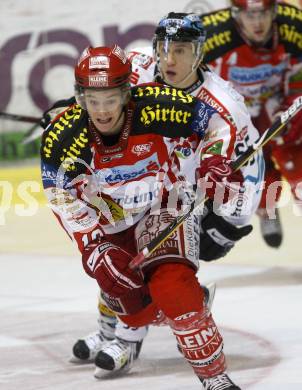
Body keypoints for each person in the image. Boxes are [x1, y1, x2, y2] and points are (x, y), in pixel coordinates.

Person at [40, 13, 264, 382]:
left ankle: (161, 343)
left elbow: (243, 156)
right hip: (122, 200)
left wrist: (227, 215)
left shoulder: (208, 103)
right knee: (119, 276)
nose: (170, 60)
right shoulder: (135, 75)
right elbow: (62, 191)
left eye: (181, 50)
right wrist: (91, 245)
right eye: (164, 48)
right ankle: (122, 328)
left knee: (171, 281)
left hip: (177, 197)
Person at [201, 0, 302, 248]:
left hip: (277, 107)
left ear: (274, 12)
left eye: (263, 14)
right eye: (250, 15)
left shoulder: (294, 28)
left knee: (295, 161)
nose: (257, 23)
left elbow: (298, 81)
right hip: (235, 114)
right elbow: (200, 86)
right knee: (250, 169)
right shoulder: (212, 38)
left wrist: (286, 113)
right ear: (236, 16)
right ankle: (266, 208)